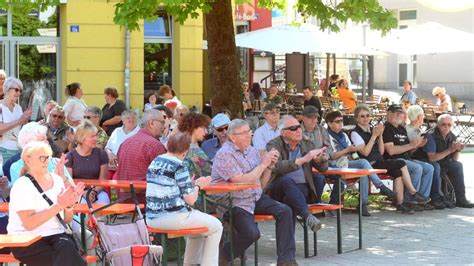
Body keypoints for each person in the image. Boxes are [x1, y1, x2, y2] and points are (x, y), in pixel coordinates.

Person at [212, 119, 296, 266]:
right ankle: (223, 255)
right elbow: (241, 180)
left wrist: (269, 166)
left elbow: (260, 184)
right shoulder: (224, 154)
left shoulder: (251, 151)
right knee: (252, 233)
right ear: (233, 137)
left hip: (255, 197)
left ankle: (286, 260)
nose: (249, 135)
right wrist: (264, 163)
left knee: (285, 210)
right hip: (234, 202)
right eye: (244, 133)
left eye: (249, 131)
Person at [146, 132, 223, 266]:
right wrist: (199, 185)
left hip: (152, 218)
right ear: (186, 151)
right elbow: (191, 200)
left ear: (168, 145)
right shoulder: (179, 165)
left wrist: (189, 184)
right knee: (216, 226)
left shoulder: (156, 161)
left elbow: (170, 186)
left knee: (197, 233)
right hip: (172, 217)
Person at [7, 141, 86, 266]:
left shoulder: (57, 180)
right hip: (26, 240)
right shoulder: (22, 185)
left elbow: (66, 220)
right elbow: (29, 224)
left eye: (48, 157)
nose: (46, 161)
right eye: (41, 157)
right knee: (66, 257)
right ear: (28, 160)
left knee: (66, 247)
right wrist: (59, 206)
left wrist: (69, 206)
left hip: (56, 237)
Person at [351, 105, 418, 213]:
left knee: (397, 172)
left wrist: (380, 136)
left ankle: (399, 203)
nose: (365, 118)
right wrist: (374, 136)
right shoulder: (355, 132)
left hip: (379, 160)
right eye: (362, 116)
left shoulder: (372, 129)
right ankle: (413, 192)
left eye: (367, 116)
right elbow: (365, 153)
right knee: (400, 163)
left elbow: (381, 152)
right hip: (368, 163)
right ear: (356, 118)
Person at [265, 115, 328, 230]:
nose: (298, 130)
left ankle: (287, 247)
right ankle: (307, 215)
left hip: (301, 190)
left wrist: (321, 160)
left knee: (289, 204)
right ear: (283, 132)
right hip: (278, 189)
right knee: (286, 181)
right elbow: (276, 167)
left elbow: (323, 169)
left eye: (299, 127)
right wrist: (303, 160)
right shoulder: (273, 145)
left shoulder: (307, 144)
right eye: (293, 128)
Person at [326, 110, 385, 216]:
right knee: (363, 165)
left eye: (341, 121)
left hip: (346, 163)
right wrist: (347, 150)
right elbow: (331, 156)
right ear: (329, 124)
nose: (341, 124)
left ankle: (363, 204)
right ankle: (380, 187)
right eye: (337, 121)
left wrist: (353, 151)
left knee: (363, 170)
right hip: (333, 165)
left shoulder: (343, 135)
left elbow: (352, 153)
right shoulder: (327, 136)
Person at [383, 104, 433, 211]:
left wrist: (417, 145)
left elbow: (407, 149)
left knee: (429, 168)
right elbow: (391, 151)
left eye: (401, 113)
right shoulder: (386, 128)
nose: (399, 115)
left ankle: (421, 199)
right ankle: (409, 200)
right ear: (388, 114)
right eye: (396, 112)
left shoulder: (401, 128)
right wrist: (411, 145)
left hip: (406, 158)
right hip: (393, 160)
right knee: (417, 168)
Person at [116, 109, 167, 202]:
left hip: (123, 201)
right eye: (162, 122)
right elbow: (163, 179)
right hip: (146, 203)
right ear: (151, 123)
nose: (165, 126)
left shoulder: (125, 142)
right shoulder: (155, 146)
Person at [424, 114, 473, 208]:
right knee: (436, 166)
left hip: (443, 162)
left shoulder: (451, 136)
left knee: (458, 165)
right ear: (438, 124)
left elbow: (454, 159)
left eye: (449, 125)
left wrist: (457, 150)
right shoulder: (430, 135)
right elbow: (432, 158)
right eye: (443, 124)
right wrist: (450, 150)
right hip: (429, 162)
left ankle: (461, 199)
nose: (446, 127)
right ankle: (436, 199)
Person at [406, 105, 446, 209]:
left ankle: (423, 198)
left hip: (414, 158)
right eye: (422, 116)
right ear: (419, 117)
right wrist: (418, 145)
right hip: (411, 159)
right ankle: (417, 199)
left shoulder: (411, 129)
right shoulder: (414, 131)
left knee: (430, 167)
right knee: (430, 166)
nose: (423, 118)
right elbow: (409, 151)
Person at [66, 121, 109, 204]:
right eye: (92, 136)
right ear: (82, 138)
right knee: (82, 203)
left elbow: (103, 180)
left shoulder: (101, 154)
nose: (96, 138)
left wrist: (94, 192)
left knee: (104, 200)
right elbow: (69, 182)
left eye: (96, 135)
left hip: (96, 191)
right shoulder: (70, 156)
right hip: (76, 192)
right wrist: (83, 193)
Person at [300, 106, 333, 201]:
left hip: (320, 165)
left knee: (319, 178)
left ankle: (315, 206)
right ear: (303, 117)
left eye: (316, 117)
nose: (314, 120)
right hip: (303, 166)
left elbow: (329, 148)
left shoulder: (322, 130)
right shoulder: (297, 131)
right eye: (311, 118)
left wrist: (324, 157)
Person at [0, 77, 32, 161]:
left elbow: (22, 128)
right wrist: (19, 121)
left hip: (18, 150)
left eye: (20, 91)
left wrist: (26, 118)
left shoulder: (18, 108)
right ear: (7, 89)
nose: (19, 93)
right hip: (3, 150)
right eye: (16, 90)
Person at [178, 113, 212, 179]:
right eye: (203, 128)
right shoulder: (194, 149)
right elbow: (210, 171)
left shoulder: (177, 145)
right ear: (194, 127)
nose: (206, 132)